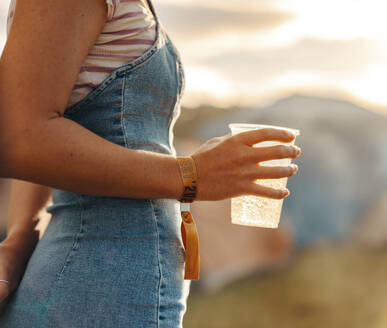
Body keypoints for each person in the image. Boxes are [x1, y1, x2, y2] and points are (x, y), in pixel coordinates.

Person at [0, 0, 301, 327]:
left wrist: (19, 240)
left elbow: (51, 122)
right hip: (99, 284)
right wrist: (190, 174)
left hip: (116, 283)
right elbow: (17, 138)